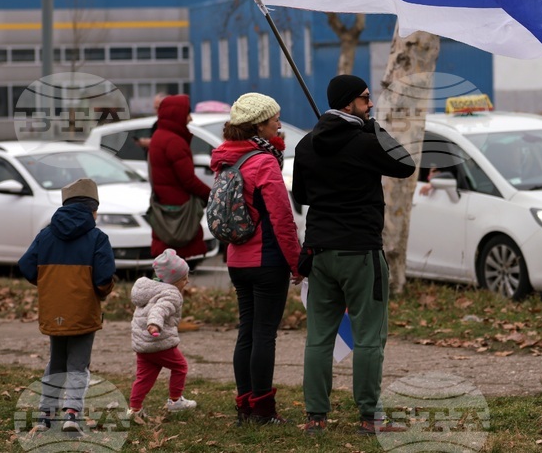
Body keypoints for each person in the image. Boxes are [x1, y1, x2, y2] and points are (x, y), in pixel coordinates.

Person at [292, 74, 416, 436]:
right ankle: (369, 417)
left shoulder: (306, 144)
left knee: (319, 338)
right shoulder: (365, 141)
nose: (371, 104)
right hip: (360, 250)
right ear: (348, 104)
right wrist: (374, 129)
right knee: (368, 338)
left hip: (319, 251)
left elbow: (301, 193)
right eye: (365, 99)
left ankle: (315, 416)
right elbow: (405, 165)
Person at [209, 93, 303, 426]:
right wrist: (297, 263)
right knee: (264, 334)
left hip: (237, 261)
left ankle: (245, 406)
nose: (280, 123)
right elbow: (282, 218)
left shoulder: (227, 159)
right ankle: (263, 410)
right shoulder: (263, 162)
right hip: (267, 261)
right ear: (259, 126)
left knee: (246, 332)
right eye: (275, 119)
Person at [18, 178, 116, 436]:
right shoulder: (97, 237)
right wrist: (102, 291)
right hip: (83, 312)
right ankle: (72, 413)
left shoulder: (46, 234)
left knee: (56, 363)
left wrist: (50, 286)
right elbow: (104, 277)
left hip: (54, 311)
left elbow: (27, 265)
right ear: (93, 209)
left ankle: (45, 415)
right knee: (78, 365)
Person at [127, 248, 197, 419]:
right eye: (183, 278)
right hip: (159, 342)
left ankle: (134, 409)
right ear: (173, 281)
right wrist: (154, 324)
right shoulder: (171, 293)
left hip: (143, 345)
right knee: (180, 367)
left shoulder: (149, 289)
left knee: (144, 377)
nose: (186, 282)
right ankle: (175, 401)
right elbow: (159, 310)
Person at [147, 94, 211, 260]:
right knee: (177, 263)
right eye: (187, 114)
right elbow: (188, 180)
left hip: (164, 207)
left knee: (166, 263)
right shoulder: (174, 142)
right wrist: (211, 195)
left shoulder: (158, 137)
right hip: (180, 211)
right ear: (178, 115)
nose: (190, 119)